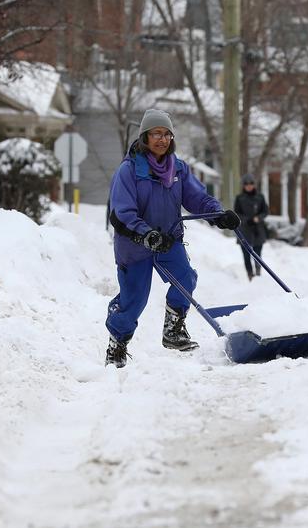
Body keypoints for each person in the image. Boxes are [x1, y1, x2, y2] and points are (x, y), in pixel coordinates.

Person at [104, 108, 240, 368]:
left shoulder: (178, 168)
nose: (162, 139)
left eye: (167, 134)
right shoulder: (129, 171)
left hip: (168, 239)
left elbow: (196, 197)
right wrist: (146, 235)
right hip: (135, 244)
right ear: (145, 137)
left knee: (185, 278)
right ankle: (117, 345)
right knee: (134, 301)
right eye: (156, 133)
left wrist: (218, 214)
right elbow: (122, 213)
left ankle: (173, 329)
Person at [233, 173, 270, 280]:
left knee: (258, 255)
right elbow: (236, 214)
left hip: (258, 230)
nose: (249, 186)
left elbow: (266, 211)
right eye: (246, 184)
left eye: (251, 183)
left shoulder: (260, 197)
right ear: (243, 185)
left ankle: (258, 275)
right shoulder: (239, 198)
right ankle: (250, 275)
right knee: (246, 256)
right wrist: (246, 220)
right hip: (244, 231)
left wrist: (258, 218)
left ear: (254, 184)